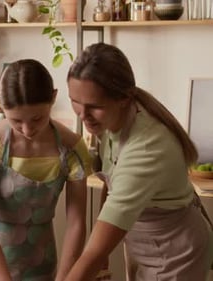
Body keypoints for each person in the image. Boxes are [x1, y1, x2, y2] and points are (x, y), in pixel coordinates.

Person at [64, 42, 213, 281]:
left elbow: (93, 253)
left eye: (93, 107)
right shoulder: (112, 119)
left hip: (176, 254)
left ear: (123, 98)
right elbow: (110, 181)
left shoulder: (146, 147)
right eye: (75, 102)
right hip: (145, 242)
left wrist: (97, 258)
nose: (83, 116)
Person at [0, 59, 92, 281]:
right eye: (16, 121)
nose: (27, 129)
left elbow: (76, 224)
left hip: (39, 260)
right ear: (1, 106)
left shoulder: (72, 148)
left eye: (37, 118)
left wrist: (65, 278)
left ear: (53, 98)